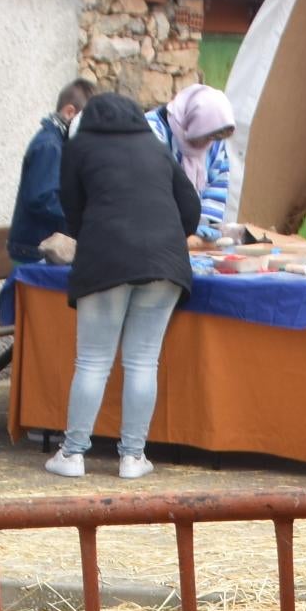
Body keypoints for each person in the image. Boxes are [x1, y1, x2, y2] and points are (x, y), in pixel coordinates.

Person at [44, 93, 201, 482]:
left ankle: (73, 453)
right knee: (143, 361)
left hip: (105, 261)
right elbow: (191, 209)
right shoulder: (155, 145)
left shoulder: (79, 146)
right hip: (165, 263)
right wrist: (160, 239)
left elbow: (71, 207)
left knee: (94, 361)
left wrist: (97, 236)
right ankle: (133, 457)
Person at [150, 85, 258, 246]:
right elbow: (153, 188)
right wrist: (184, 224)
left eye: (213, 138)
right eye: (207, 136)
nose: (209, 143)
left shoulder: (214, 142)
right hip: (156, 228)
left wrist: (205, 222)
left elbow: (217, 182)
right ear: (194, 122)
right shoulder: (152, 133)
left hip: (188, 233)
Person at [10, 77, 93, 266]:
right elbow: (42, 198)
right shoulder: (50, 146)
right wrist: (80, 213)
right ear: (70, 112)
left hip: (37, 248)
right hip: (33, 251)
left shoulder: (58, 143)